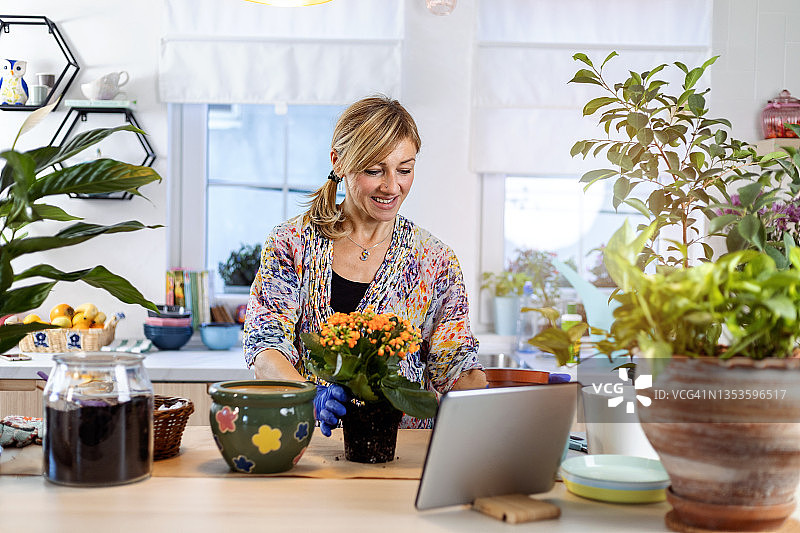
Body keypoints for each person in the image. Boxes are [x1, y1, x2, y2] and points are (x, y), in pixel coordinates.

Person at [243, 95, 486, 435]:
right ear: (338, 162)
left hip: (404, 450)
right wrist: (309, 396)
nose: (391, 186)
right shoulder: (291, 243)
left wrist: (495, 406)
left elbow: (454, 363)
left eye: (405, 169)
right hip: (308, 441)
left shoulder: (435, 260)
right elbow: (266, 349)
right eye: (374, 170)